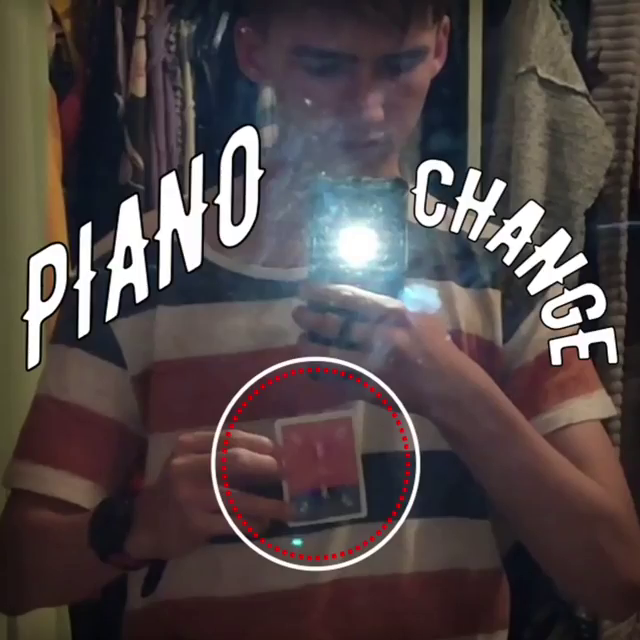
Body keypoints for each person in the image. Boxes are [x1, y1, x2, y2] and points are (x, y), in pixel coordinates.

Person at [2, 1, 640, 638]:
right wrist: (140, 524)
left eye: (400, 65)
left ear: (442, 48)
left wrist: (457, 393)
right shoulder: (135, 273)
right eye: (325, 67)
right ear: (253, 52)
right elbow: (17, 572)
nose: (369, 110)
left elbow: (617, 577)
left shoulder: (500, 272)